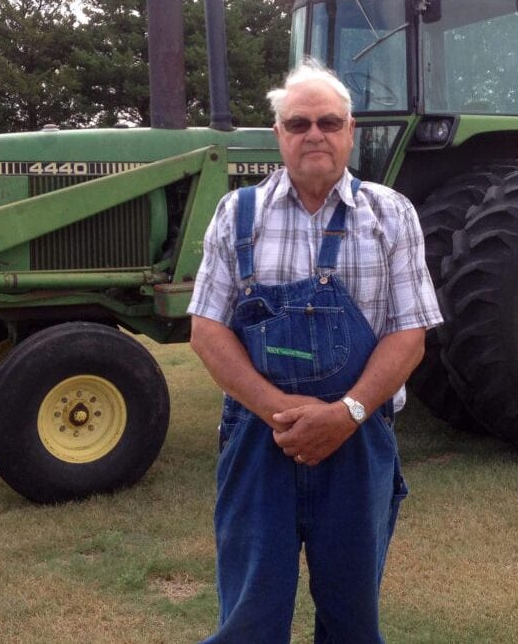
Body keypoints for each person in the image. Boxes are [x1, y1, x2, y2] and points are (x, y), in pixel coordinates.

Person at [188, 59, 443, 643]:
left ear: (350, 131)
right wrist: (281, 410)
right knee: (249, 619)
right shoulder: (237, 215)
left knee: (353, 620)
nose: (314, 135)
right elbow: (207, 329)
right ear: (278, 134)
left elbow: (410, 335)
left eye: (329, 122)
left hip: (358, 442)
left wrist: (346, 413)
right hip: (260, 440)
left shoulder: (390, 214)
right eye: (298, 123)